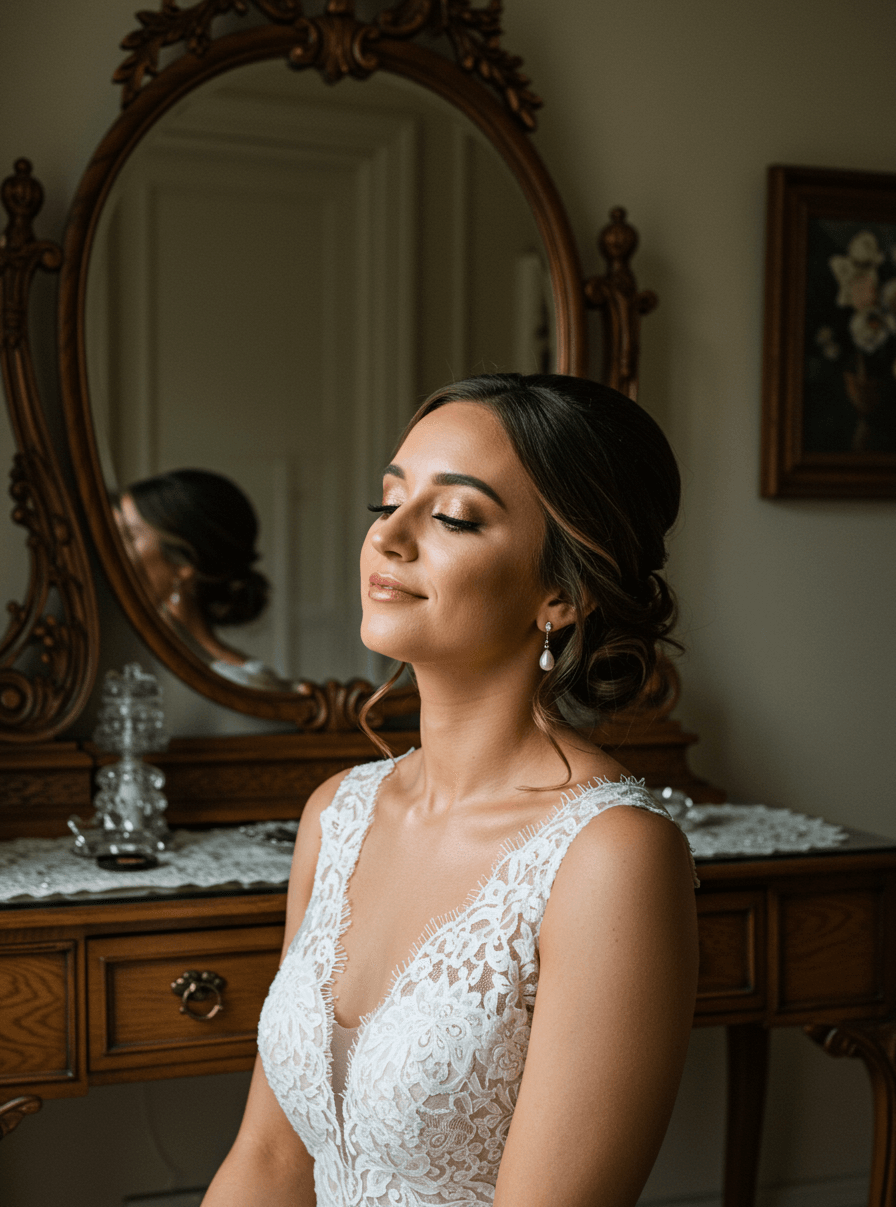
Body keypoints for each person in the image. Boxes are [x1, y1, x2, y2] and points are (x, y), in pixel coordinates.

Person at [204, 373, 699, 1206]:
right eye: (387, 501)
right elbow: (269, 1161)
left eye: (454, 516)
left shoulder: (611, 856)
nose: (388, 539)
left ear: (562, 593)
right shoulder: (339, 813)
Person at [114, 468, 289, 691]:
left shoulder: (243, 685)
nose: (111, 551)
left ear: (184, 564)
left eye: (128, 536)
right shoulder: (119, 661)